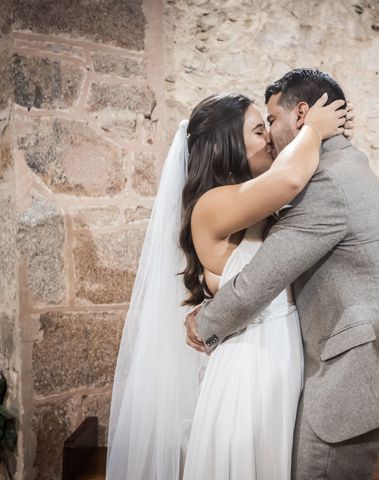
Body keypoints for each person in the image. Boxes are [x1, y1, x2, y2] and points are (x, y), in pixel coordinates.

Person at [186, 68, 379, 479]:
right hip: (304, 368)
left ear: (300, 115)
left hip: (349, 379)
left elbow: (260, 279)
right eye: (259, 128)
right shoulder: (342, 167)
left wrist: (203, 322)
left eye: (271, 122)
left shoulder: (324, 183)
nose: (270, 134)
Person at [106, 89, 352, 479]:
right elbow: (289, 176)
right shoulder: (211, 204)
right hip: (251, 365)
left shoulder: (248, 199)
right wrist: (315, 131)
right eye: (258, 131)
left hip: (278, 359)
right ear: (225, 148)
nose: (269, 137)